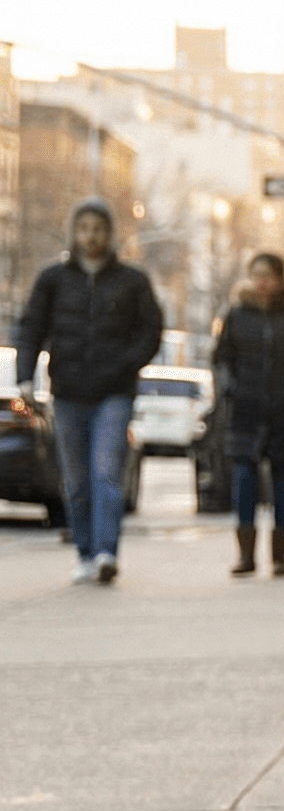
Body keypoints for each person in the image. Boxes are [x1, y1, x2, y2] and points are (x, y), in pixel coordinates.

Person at [11, 197, 164, 584]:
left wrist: (127, 363)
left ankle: (107, 553)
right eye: (84, 229)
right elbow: (31, 328)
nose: (91, 236)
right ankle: (84, 551)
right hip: (69, 393)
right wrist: (25, 377)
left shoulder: (132, 281)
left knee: (106, 473)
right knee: (77, 480)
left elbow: (150, 330)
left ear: (110, 234)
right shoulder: (53, 280)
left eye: (98, 229)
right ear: (74, 234)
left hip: (114, 393)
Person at [212, 252, 284, 578]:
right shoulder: (236, 315)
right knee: (244, 478)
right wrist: (230, 388)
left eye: (268, 275)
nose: (261, 282)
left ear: (280, 278)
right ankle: (246, 555)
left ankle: (279, 557)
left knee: (281, 483)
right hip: (246, 408)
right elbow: (221, 357)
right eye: (256, 275)